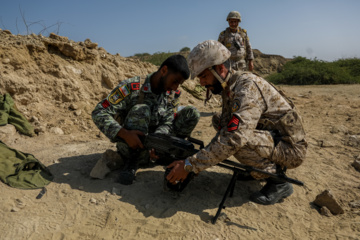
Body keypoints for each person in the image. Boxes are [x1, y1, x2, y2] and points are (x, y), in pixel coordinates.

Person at [166, 40, 307, 205]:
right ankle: (256, 169)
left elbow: (234, 137)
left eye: (204, 76)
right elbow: (225, 129)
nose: (201, 83)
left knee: (237, 140)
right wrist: (199, 163)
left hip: (290, 148)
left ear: (220, 68)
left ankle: (279, 182)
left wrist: (191, 165)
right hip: (273, 138)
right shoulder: (230, 85)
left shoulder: (247, 87)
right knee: (220, 121)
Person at [92, 55, 200, 185]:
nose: (176, 87)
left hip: (153, 146)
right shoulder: (132, 87)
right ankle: (132, 161)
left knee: (192, 113)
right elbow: (99, 112)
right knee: (142, 109)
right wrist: (124, 134)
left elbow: (168, 121)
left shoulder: (172, 94)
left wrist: (159, 141)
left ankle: (169, 155)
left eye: (179, 84)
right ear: (164, 70)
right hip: (130, 143)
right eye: (175, 81)